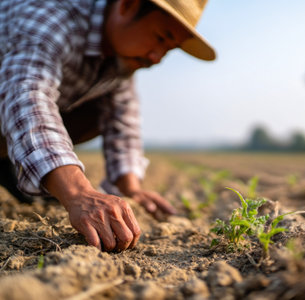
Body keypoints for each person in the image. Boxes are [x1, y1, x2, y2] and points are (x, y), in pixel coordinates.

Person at [0, 0, 216, 252]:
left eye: (168, 49)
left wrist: (131, 187)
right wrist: (78, 192)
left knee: (93, 112)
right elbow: (26, 96)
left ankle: (7, 162)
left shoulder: (119, 58)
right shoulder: (50, 15)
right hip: (9, 99)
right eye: (160, 37)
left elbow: (123, 120)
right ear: (128, 6)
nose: (156, 58)